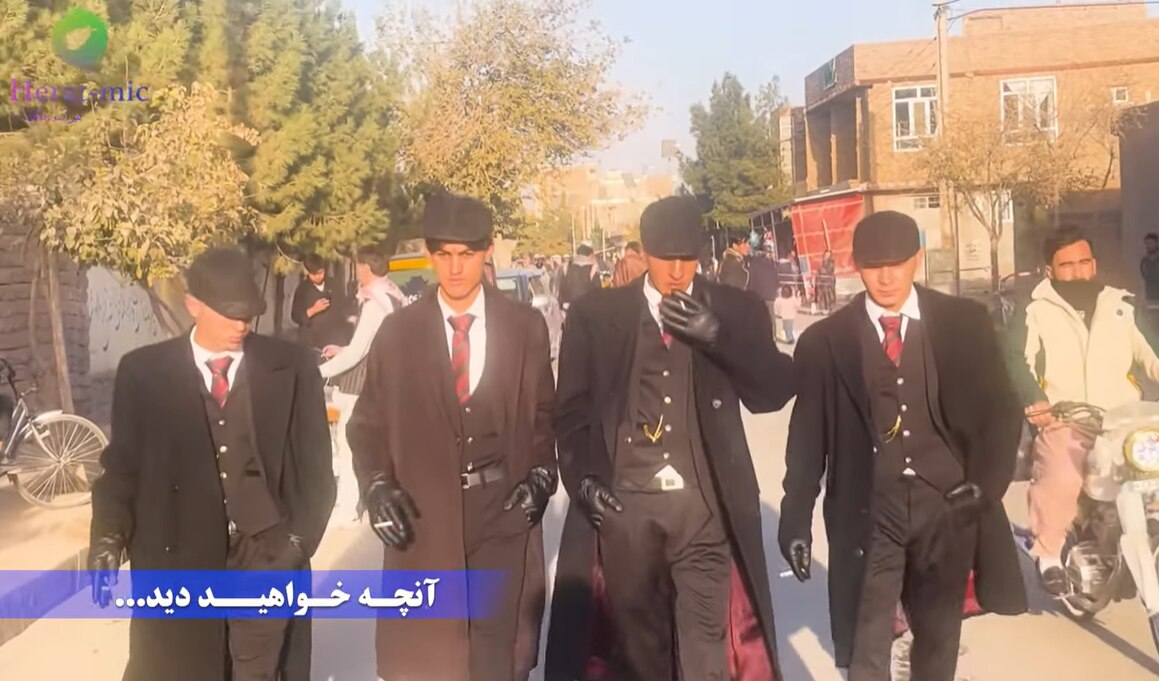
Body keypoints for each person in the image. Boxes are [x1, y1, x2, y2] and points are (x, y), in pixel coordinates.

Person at [544, 195, 795, 681]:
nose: (678, 271)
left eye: (688, 258)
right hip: (627, 514)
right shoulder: (597, 315)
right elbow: (570, 411)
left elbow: (774, 392)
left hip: (705, 513)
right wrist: (584, 478)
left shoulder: (734, 309)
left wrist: (720, 339)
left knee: (706, 657)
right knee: (641, 658)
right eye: (666, 258)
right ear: (645, 253)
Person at [780, 211, 1027, 681]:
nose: (887, 277)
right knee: (867, 636)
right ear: (856, 265)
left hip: (947, 501)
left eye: (898, 262)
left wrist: (987, 484)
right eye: (874, 265)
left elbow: (1001, 409)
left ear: (918, 259)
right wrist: (795, 516)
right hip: (870, 506)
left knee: (939, 635)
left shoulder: (963, 323)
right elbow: (807, 438)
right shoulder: (824, 342)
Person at [89, 247, 336, 681]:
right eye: (228, 314)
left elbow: (317, 468)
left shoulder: (292, 367)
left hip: (266, 553)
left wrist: (296, 545)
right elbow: (122, 468)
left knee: (260, 670)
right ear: (193, 305)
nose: (241, 326)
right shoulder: (143, 374)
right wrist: (108, 536)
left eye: (248, 315)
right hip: (177, 555)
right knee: (180, 667)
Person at [347, 192, 557, 681]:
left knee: (497, 663)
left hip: (502, 517)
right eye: (443, 254)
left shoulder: (524, 329)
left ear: (486, 253)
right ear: (430, 254)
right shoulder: (398, 334)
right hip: (425, 522)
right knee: (431, 665)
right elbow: (368, 423)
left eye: (466, 254)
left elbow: (544, 415)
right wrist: (377, 482)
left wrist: (543, 475)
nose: (455, 268)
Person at [1010, 225, 1159, 593]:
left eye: (1084, 262)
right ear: (1050, 270)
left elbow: (1150, 353)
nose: (1078, 271)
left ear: (1094, 264)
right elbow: (1017, 358)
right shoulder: (1035, 310)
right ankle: (1046, 551)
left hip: (1124, 419)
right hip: (1068, 418)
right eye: (1067, 265)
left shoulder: (1122, 304)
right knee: (1062, 473)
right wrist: (1035, 400)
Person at [318, 245, 405, 526]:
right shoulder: (392, 294)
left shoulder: (374, 302)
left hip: (362, 383)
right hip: (385, 378)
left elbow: (360, 352)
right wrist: (342, 348)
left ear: (366, 267)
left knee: (348, 443)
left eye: (358, 267)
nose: (357, 272)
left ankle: (348, 510)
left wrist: (319, 371)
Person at [290, 254, 351, 351]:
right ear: (308, 272)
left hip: (334, 339)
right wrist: (313, 310)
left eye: (320, 272)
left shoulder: (334, 284)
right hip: (312, 341)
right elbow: (295, 316)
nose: (318, 276)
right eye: (314, 274)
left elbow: (344, 307)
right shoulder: (302, 289)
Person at [748, 247, 782, 330]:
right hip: (770, 295)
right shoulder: (771, 265)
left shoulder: (754, 264)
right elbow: (776, 280)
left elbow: (751, 280)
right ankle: (773, 334)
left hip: (758, 295)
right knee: (771, 315)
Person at [817, 250, 837, 314]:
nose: (826, 256)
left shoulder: (831, 262)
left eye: (828, 254)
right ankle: (824, 308)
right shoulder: (822, 262)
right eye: (826, 254)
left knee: (829, 295)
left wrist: (821, 271)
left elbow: (829, 270)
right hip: (822, 281)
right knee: (822, 295)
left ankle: (830, 308)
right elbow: (819, 270)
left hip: (829, 281)